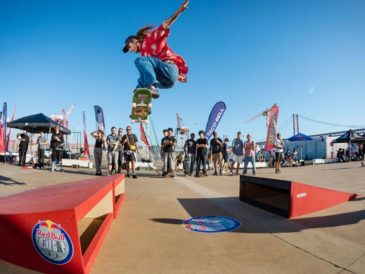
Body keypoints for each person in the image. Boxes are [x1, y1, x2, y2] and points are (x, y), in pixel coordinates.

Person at [122, 0, 189, 99]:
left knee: (140, 61)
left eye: (129, 46)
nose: (130, 50)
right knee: (142, 81)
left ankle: (151, 87)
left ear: (134, 40)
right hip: (167, 82)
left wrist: (179, 11)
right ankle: (142, 107)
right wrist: (180, 76)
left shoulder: (150, 39)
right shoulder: (145, 57)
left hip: (169, 69)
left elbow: (166, 24)